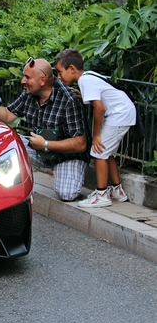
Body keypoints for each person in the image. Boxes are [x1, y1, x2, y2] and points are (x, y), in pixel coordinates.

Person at [0, 57, 90, 201]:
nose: (22, 81)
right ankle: (3, 180)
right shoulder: (29, 93)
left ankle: (69, 173)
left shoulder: (69, 100)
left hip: (66, 156)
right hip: (39, 149)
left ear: (42, 80)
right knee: (3, 139)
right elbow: (5, 116)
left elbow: (81, 144)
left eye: (27, 77)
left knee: (67, 194)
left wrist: (46, 144)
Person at [54, 48, 135, 208]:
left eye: (60, 72)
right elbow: (102, 95)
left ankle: (102, 195)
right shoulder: (87, 77)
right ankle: (117, 191)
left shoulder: (85, 80)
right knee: (107, 152)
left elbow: (99, 108)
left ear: (71, 69)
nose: (59, 77)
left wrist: (96, 135)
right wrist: (83, 95)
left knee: (98, 151)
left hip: (119, 114)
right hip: (123, 112)